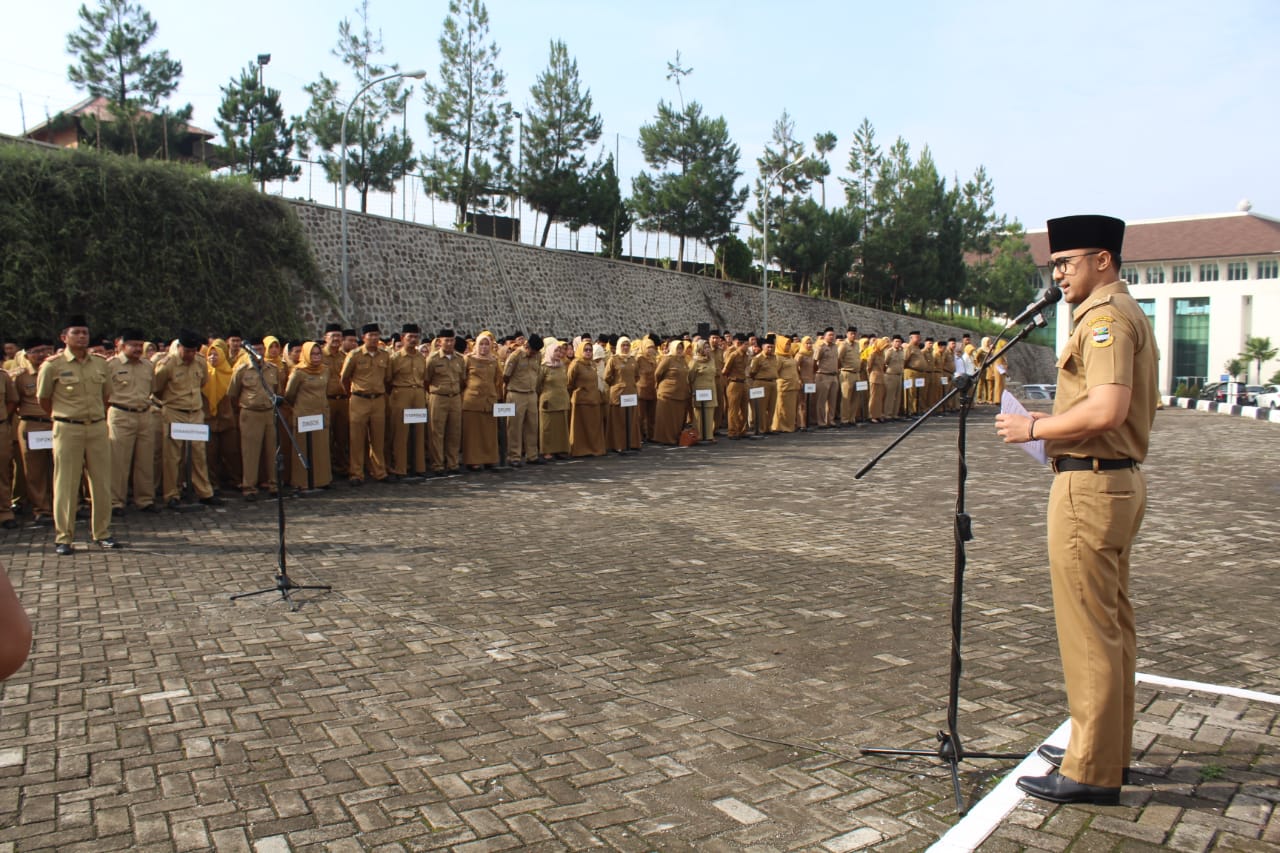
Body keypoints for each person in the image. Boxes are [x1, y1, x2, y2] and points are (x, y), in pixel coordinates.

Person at [996, 214, 1156, 806]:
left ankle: (1091, 770)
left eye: (1067, 262)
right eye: (1055, 264)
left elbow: (1108, 409)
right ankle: (1105, 752)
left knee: (1088, 630)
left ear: (1103, 261)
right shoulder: (1121, 312)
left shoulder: (1107, 319)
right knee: (1111, 626)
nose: (1058, 273)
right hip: (1110, 483)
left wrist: (1034, 425)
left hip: (1090, 486)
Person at [36, 315, 118, 554]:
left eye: (85, 332)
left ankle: (102, 533)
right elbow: (43, 400)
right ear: (64, 337)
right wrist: (64, 415)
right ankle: (64, 537)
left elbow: (106, 396)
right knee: (66, 483)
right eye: (76, 332)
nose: (82, 336)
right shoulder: (53, 365)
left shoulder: (100, 364)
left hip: (96, 426)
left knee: (102, 482)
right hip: (67, 427)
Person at [106, 328, 157, 515]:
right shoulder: (111, 365)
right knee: (118, 460)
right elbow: (103, 393)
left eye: (140, 345)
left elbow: (153, 388)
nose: (137, 349)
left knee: (145, 460)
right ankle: (115, 502)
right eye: (133, 345)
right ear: (122, 345)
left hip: (144, 414)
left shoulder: (148, 365)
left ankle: (145, 500)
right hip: (120, 414)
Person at [228, 337, 282, 500]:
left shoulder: (272, 369)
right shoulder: (242, 369)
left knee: (272, 450)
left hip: (269, 412)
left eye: (260, 349)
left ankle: (274, 485)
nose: (258, 353)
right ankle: (249, 487)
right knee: (250, 452)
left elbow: (278, 389)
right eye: (254, 350)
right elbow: (232, 393)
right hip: (250, 413)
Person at [341, 323, 391, 484]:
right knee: (357, 439)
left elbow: (388, 378)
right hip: (359, 399)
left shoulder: (384, 355)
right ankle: (356, 473)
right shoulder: (355, 355)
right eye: (371, 335)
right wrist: (352, 394)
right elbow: (344, 378)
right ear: (363, 338)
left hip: (378, 400)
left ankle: (379, 472)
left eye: (377, 335)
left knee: (378, 438)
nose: (375, 338)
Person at [284, 340, 332, 489]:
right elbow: (289, 394)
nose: (316, 356)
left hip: (320, 414)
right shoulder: (298, 372)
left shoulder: (325, 370)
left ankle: (322, 480)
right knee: (303, 448)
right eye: (312, 354)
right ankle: (302, 482)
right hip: (304, 415)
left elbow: (326, 390)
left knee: (320, 448)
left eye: (318, 353)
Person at [388, 323, 427, 479]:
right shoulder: (395, 358)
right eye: (410, 337)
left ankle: (418, 466)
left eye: (416, 337)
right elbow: (388, 380)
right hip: (401, 393)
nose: (413, 340)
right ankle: (400, 467)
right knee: (400, 433)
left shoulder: (421, 357)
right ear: (403, 338)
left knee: (419, 431)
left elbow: (424, 378)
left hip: (418, 392)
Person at [425, 329, 466, 475]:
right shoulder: (433, 359)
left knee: (454, 431)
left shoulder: (460, 359)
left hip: (454, 397)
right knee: (437, 432)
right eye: (446, 340)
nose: (449, 343)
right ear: (440, 341)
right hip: (438, 397)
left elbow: (463, 380)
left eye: (452, 340)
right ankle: (437, 464)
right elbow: (426, 379)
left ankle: (453, 463)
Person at [461, 332, 501, 470]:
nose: (484, 347)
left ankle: (489, 458)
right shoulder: (468, 359)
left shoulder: (493, 361)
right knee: (473, 433)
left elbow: (497, 379)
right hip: (472, 400)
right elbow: (462, 378)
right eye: (481, 344)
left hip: (489, 400)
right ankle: (474, 460)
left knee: (489, 432)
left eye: (486, 344)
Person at [503, 333, 543, 466]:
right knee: (514, 427)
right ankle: (514, 456)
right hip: (516, 394)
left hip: (531, 393)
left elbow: (537, 373)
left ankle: (532, 455)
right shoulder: (515, 356)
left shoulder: (538, 356)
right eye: (532, 350)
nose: (533, 353)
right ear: (527, 346)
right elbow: (506, 375)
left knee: (532, 426)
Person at [567, 338, 605, 456]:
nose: (588, 352)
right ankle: (580, 450)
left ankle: (594, 449)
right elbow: (569, 382)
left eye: (590, 350)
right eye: (586, 350)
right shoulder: (576, 364)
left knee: (593, 428)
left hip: (593, 399)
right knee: (580, 428)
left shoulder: (592, 364)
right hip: (581, 401)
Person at [604, 337, 641, 452]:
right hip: (618, 393)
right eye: (623, 345)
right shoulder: (613, 360)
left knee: (631, 418)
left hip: (630, 393)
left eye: (627, 345)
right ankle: (618, 444)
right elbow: (607, 377)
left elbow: (637, 376)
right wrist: (618, 385)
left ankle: (632, 443)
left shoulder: (632, 360)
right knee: (618, 419)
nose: (625, 348)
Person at [652, 340, 691, 445]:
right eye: (677, 348)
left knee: (677, 419)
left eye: (681, 348)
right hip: (668, 393)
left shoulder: (683, 360)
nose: (679, 350)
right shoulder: (668, 359)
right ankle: (664, 439)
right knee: (666, 418)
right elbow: (657, 374)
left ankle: (675, 437)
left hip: (681, 394)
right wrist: (662, 385)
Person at [537, 339, 570, 459]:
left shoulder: (562, 366)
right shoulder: (544, 367)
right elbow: (537, 384)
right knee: (548, 427)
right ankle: (547, 450)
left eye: (560, 351)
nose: (558, 353)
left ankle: (561, 449)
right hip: (548, 400)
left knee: (560, 427)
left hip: (561, 399)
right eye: (556, 351)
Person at [686, 339, 718, 442]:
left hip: (711, 389)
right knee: (700, 414)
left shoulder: (711, 360)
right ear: (699, 349)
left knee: (709, 412)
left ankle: (709, 436)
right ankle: (698, 435)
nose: (707, 349)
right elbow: (690, 377)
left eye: (708, 347)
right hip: (700, 390)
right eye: (705, 347)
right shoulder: (694, 362)